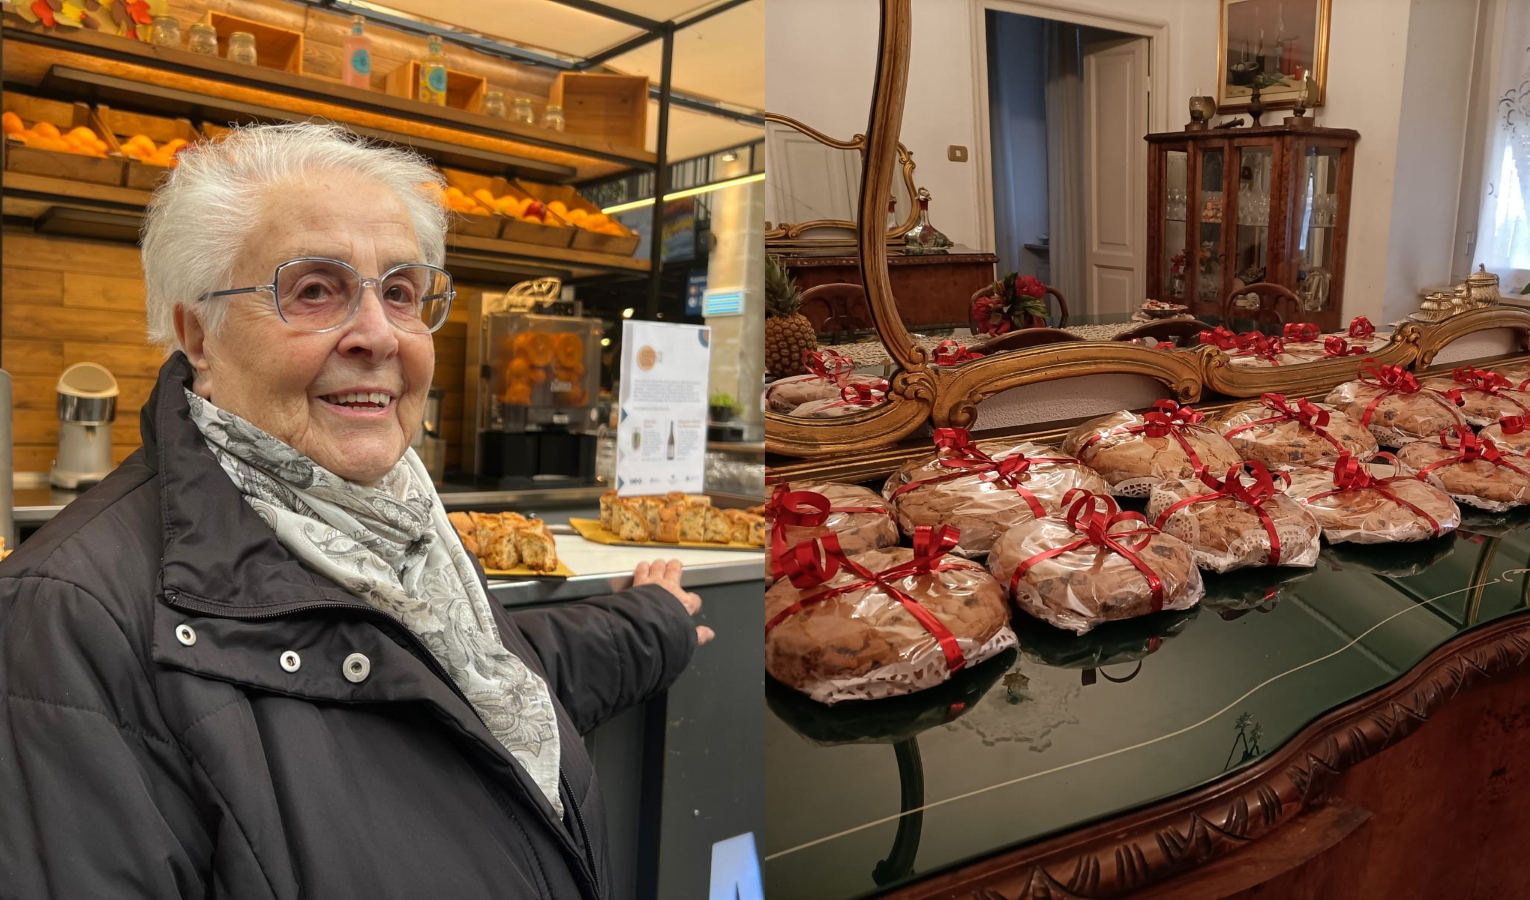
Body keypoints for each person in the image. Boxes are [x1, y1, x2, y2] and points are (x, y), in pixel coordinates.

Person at [0, 122, 712, 899]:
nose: (378, 334)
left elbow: (436, 686)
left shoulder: (399, 526)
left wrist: (650, 623)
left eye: (401, 292)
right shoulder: (65, 619)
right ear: (196, 332)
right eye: (314, 290)